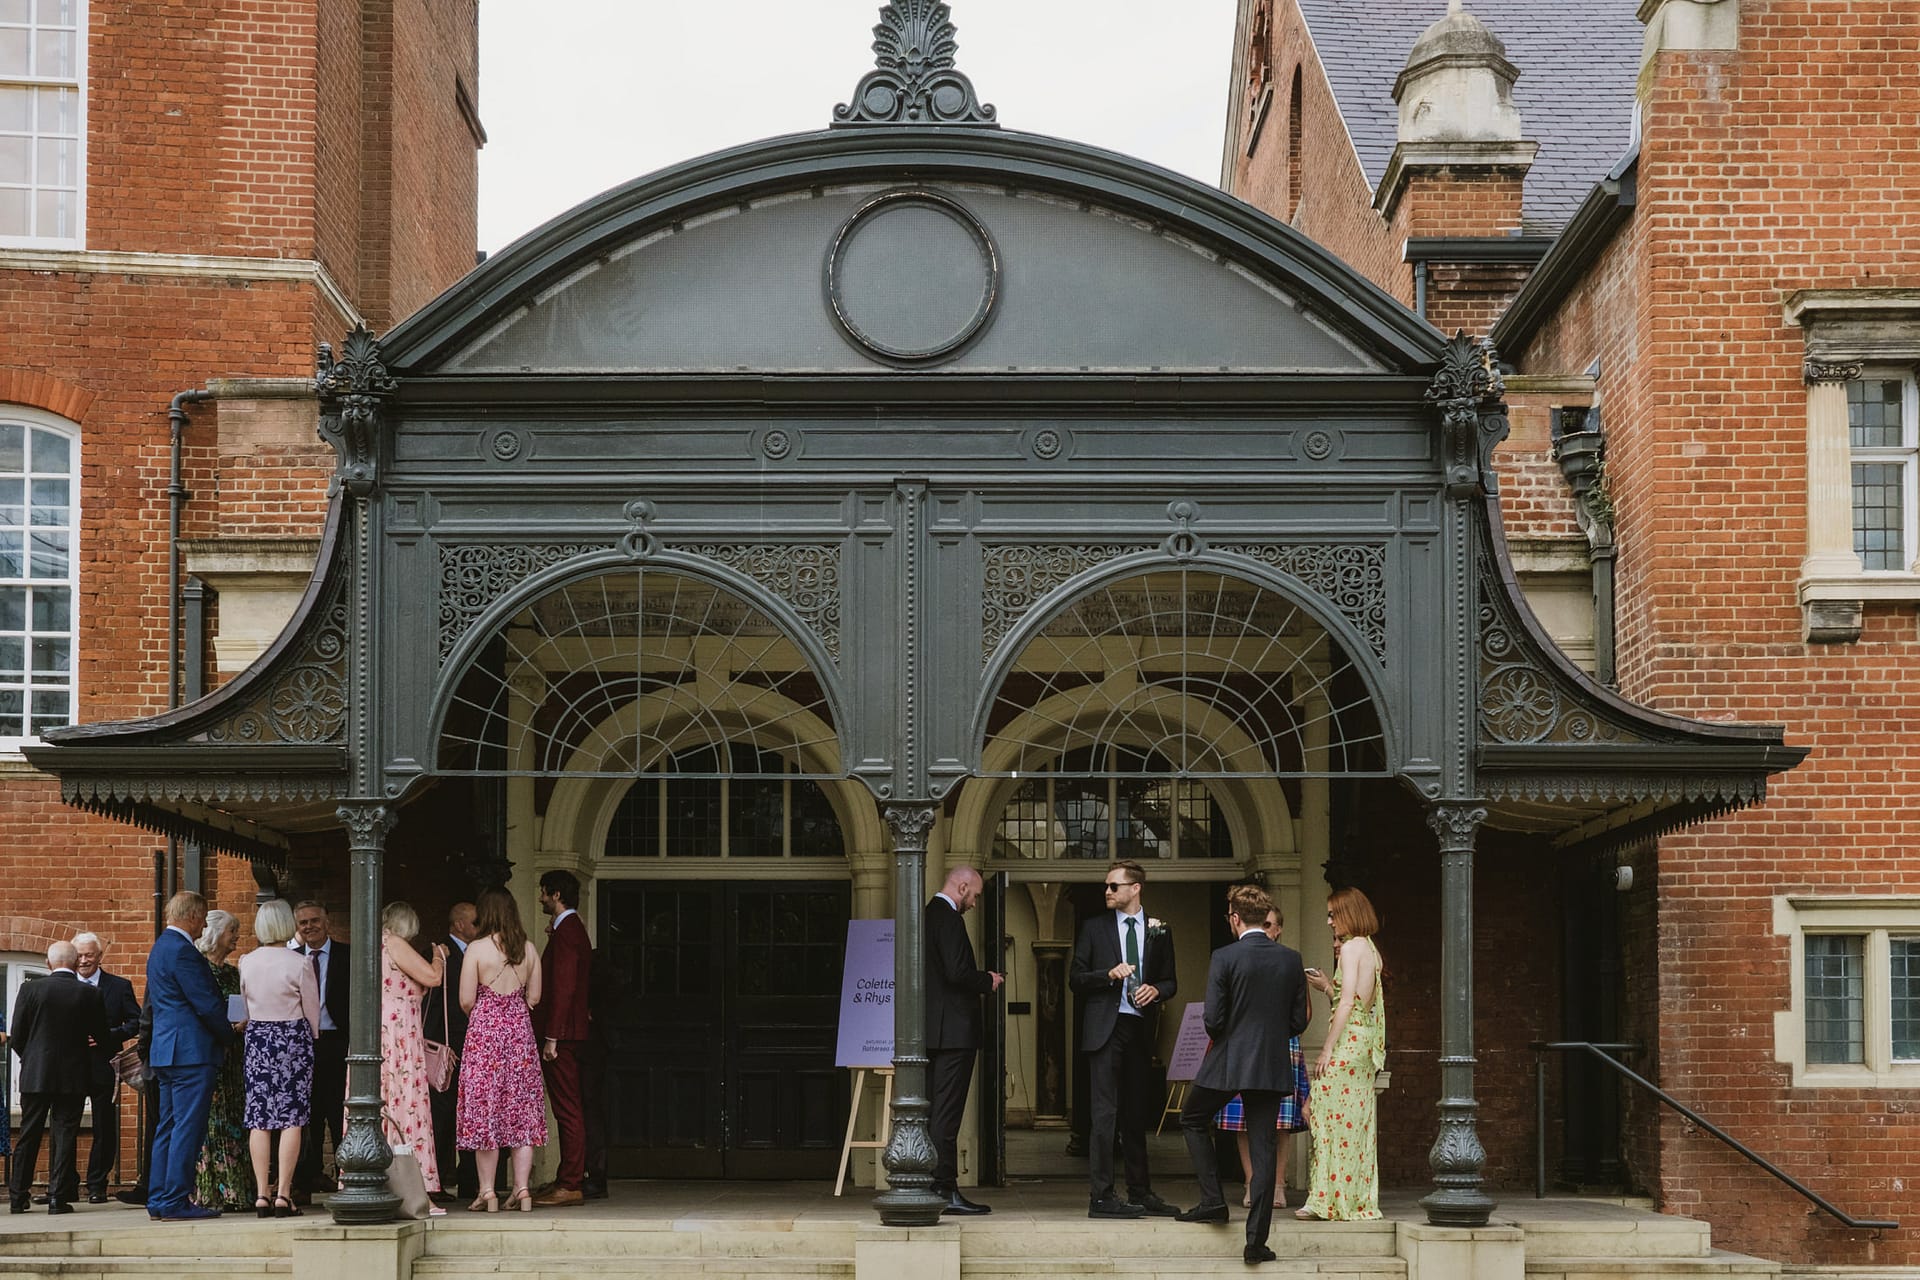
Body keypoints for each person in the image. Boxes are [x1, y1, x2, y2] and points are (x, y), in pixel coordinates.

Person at [1173, 884, 1310, 1267]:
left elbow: (1213, 1019)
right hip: (1270, 1062)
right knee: (1264, 1149)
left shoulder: (1224, 956)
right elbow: (1298, 1021)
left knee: (1193, 1119)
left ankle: (1213, 1201)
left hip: (1228, 1060)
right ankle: (1255, 1243)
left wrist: (1233, 1037)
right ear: (1266, 918)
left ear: (1235, 919)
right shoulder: (1291, 959)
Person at [1070, 859, 1179, 1220]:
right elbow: (1076, 978)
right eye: (1106, 885)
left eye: (1113, 886)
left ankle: (1140, 1191)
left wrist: (1156, 990)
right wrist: (1108, 974)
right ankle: (1101, 1196)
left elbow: (1171, 981)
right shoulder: (1094, 927)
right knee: (1104, 1114)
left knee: (1136, 1113)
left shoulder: (1159, 929)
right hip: (1106, 1027)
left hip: (1140, 1028)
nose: (1107, 891)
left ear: (1135, 888)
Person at [145, 890, 237, 1221]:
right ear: (195, 916)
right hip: (191, 1052)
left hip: (166, 1051)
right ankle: (174, 1200)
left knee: (168, 1126)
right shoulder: (183, 951)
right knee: (187, 1127)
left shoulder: (160, 947)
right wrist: (229, 1035)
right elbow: (206, 1004)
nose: (203, 926)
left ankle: (159, 1198)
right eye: (203, 919)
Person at [1214, 900, 1310, 1210]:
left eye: (1269, 925)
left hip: (1281, 1043)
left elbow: (1302, 1014)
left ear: (1278, 929)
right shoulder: (1235, 958)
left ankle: (1278, 1183)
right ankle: (1251, 1181)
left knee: (1280, 1121)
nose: (1264, 930)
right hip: (1241, 1045)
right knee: (1242, 1119)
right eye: (1262, 924)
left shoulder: (1288, 961)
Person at [1298, 886, 1386, 1223]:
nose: (1329, 921)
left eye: (1333, 914)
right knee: (1352, 1120)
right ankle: (1348, 1197)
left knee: (1321, 1112)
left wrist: (1327, 1048)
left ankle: (1325, 1199)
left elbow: (1347, 1003)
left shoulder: (1350, 948)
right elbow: (1359, 1002)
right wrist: (1326, 987)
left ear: (1348, 913)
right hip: (1363, 1045)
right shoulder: (1371, 948)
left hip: (1348, 1043)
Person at [456, 885, 546, 1213]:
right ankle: (522, 1189)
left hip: (485, 1035)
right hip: (519, 1035)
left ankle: (488, 1191)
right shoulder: (529, 949)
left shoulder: (476, 949)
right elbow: (534, 997)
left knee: (486, 1112)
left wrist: (487, 1013)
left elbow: (466, 999)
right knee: (521, 1112)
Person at [8, 940, 110, 1215]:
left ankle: (17, 1196)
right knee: (65, 1135)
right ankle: (57, 1197)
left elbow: (17, 1035)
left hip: (36, 1074)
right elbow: (102, 1036)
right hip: (73, 1076)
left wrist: (31, 1059)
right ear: (76, 963)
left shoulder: (29, 989)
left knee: (28, 1134)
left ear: (48, 963)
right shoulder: (89, 993)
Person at [924, 865, 1003, 1217]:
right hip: (954, 1033)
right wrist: (988, 980)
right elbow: (957, 972)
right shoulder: (949, 919)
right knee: (946, 1115)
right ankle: (944, 1187)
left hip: (934, 1031)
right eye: (975, 895)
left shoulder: (927, 914)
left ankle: (934, 1184)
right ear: (962, 887)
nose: (974, 903)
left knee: (934, 1112)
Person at [238, 898, 319, 1218]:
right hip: (292, 1037)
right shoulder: (299, 963)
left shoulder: (247, 961)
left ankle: (262, 1194)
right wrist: (312, 1038)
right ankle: (284, 1194)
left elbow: (244, 1007)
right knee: (292, 1118)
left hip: (258, 1036)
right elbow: (312, 1010)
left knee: (259, 1117)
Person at [366, 901, 447, 1205]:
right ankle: (413, 1191)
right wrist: (438, 956)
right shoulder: (394, 943)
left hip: (385, 1032)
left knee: (388, 1104)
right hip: (398, 1035)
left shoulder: (375, 945)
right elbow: (432, 977)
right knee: (405, 1104)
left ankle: (385, 1182)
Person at [532, 870, 590, 1208]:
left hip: (562, 1036)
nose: (540, 898)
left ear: (556, 895)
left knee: (567, 1109)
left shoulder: (567, 931)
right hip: (569, 1033)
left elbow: (564, 987)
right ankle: (567, 1177)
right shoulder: (567, 929)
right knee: (569, 1107)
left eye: (543, 892)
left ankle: (570, 1183)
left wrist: (551, 1037)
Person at [70, 933, 140, 1204]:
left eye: (89, 955)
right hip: (70, 1066)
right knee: (66, 1124)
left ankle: (97, 1184)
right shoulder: (64, 985)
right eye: (79, 955)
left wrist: (107, 1036)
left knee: (105, 1126)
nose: (83, 960)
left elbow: (135, 1022)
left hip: (104, 1064)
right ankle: (64, 1185)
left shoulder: (119, 986)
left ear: (100, 956)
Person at [193, 911, 252, 1211]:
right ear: (215, 934)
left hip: (234, 1059)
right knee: (210, 1124)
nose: (236, 936)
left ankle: (236, 1191)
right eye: (232, 931)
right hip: (209, 1054)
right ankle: (211, 1192)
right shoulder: (198, 970)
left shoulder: (233, 973)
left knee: (233, 1121)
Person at [291, 899, 349, 1203]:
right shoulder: (291, 959)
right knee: (306, 1114)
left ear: (326, 922)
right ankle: (305, 1179)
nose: (309, 926)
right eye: (303, 922)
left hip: (338, 1041)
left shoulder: (347, 955)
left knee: (340, 1111)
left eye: (314, 920)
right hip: (303, 1044)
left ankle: (346, 1179)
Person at [426, 900, 478, 1203]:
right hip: (448, 1046)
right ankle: (438, 1179)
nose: (479, 928)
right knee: (442, 1114)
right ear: (459, 924)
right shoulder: (439, 952)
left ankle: (469, 1179)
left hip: (473, 1046)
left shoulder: (478, 952)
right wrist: (438, 1045)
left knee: (470, 1111)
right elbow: (433, 1004)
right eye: (475, 922)